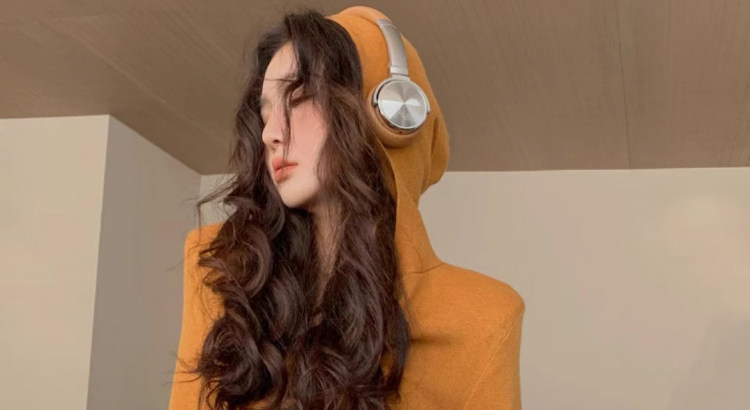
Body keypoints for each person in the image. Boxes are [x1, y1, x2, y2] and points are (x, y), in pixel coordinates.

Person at [168, 6, 525, 410]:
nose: (270, 133)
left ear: (389, 114)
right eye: (265, 113)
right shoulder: (223, 269)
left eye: (300, 97)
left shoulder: (485, 317)